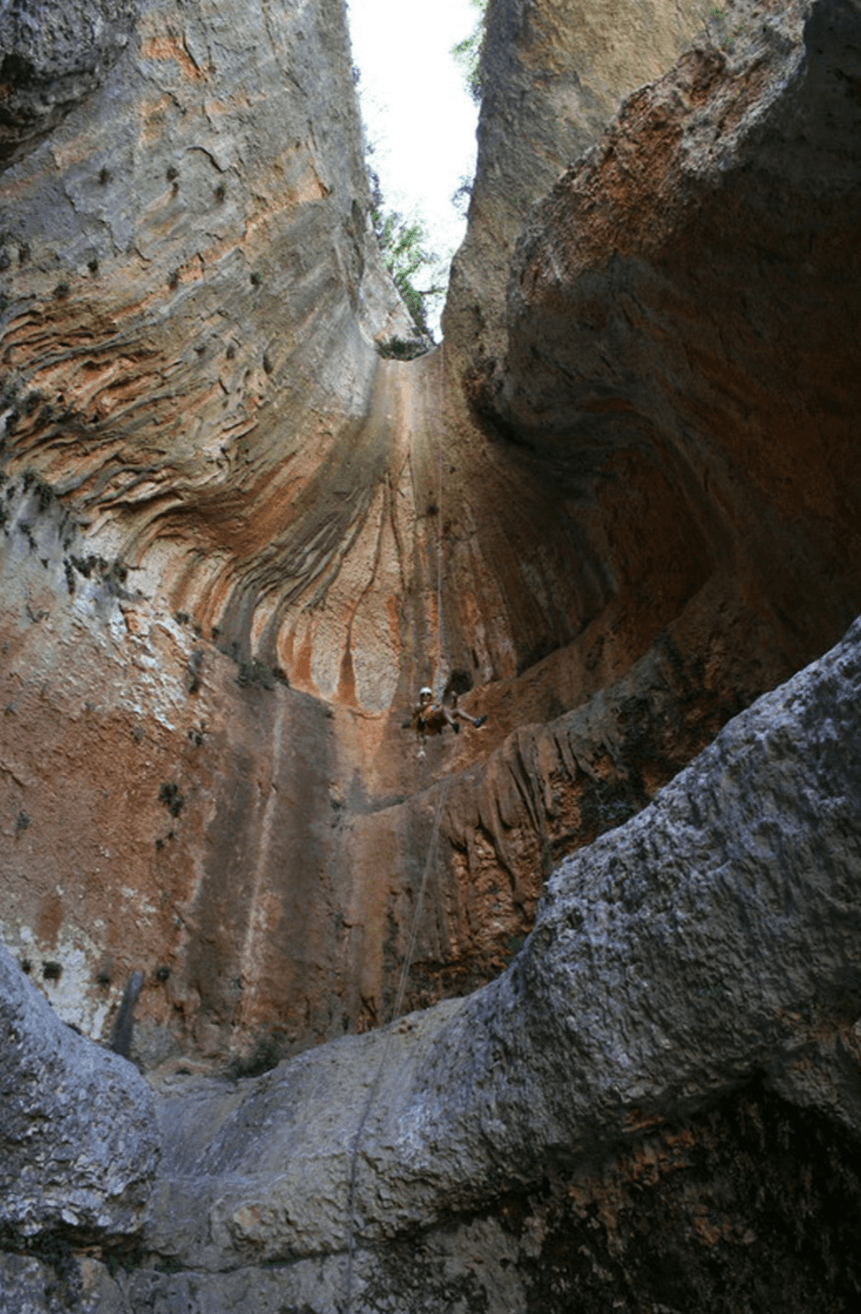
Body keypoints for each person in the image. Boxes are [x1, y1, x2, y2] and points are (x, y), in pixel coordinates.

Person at [410, 686, 486, 753]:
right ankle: (453, 724)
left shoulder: (434, 704)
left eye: (427, 694)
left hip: (439, 719)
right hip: (429, 722)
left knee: (456, 711)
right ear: (421, 697)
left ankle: (475, 721)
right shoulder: (420, 705)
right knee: (442, 708)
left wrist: (455, 699)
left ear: (430, 696)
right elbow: (418, 711)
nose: (426, 696)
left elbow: (450, 711)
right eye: (424, 695)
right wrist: (433, 705)